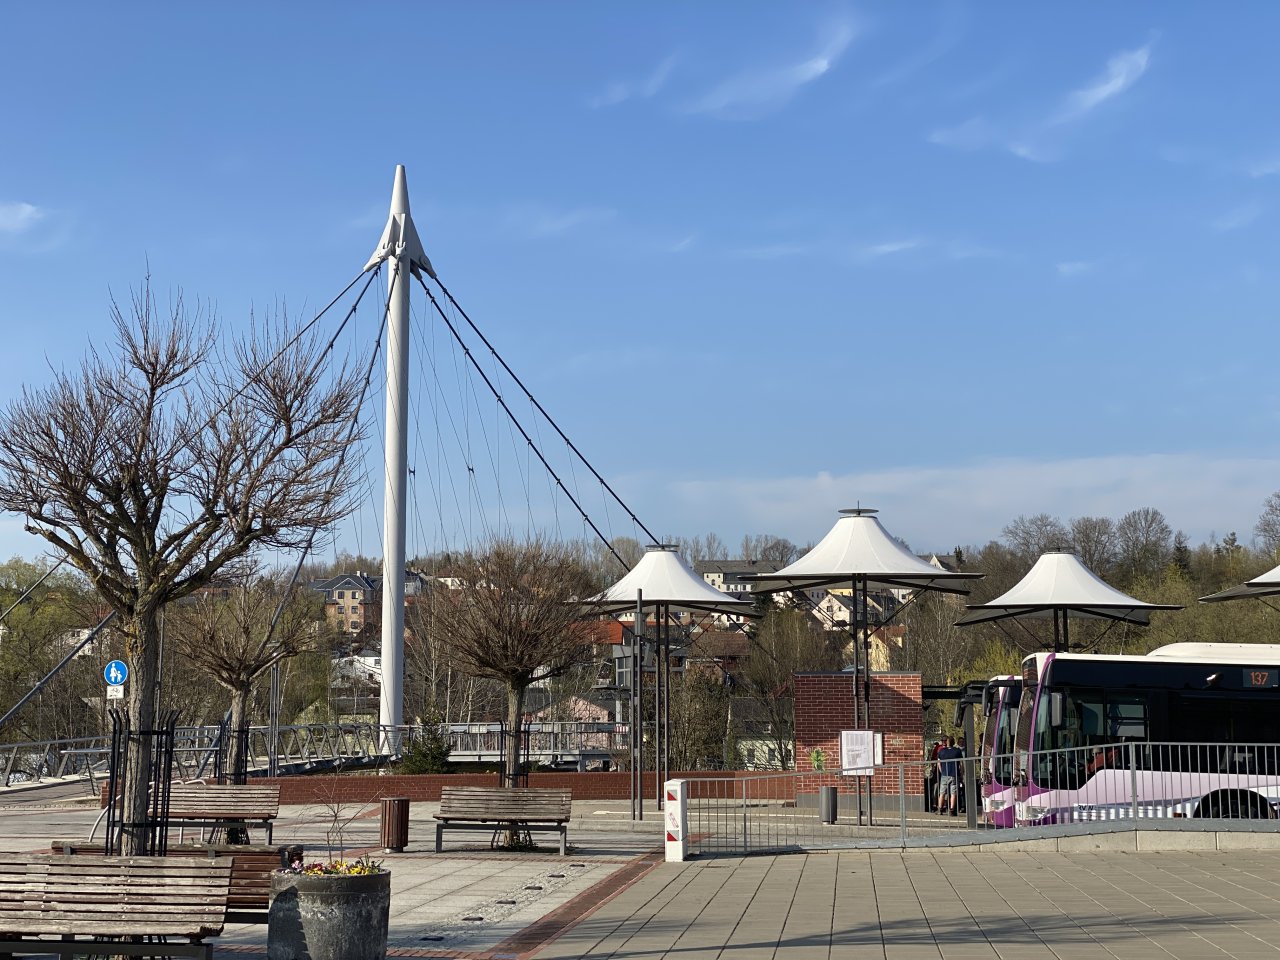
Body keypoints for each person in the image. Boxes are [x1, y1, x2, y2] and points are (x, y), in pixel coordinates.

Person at [936, 736, 963, 816]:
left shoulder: (941, 751)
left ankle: (940, 809)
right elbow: (961, 764)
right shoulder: (957, 751)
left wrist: (942, 772)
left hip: (945, 774)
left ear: (946, 743)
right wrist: (961, 773)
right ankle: (952, 810)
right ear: (954, 742)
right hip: (954, 774)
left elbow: (939, 763)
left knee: (942, 792)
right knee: (953, 793)